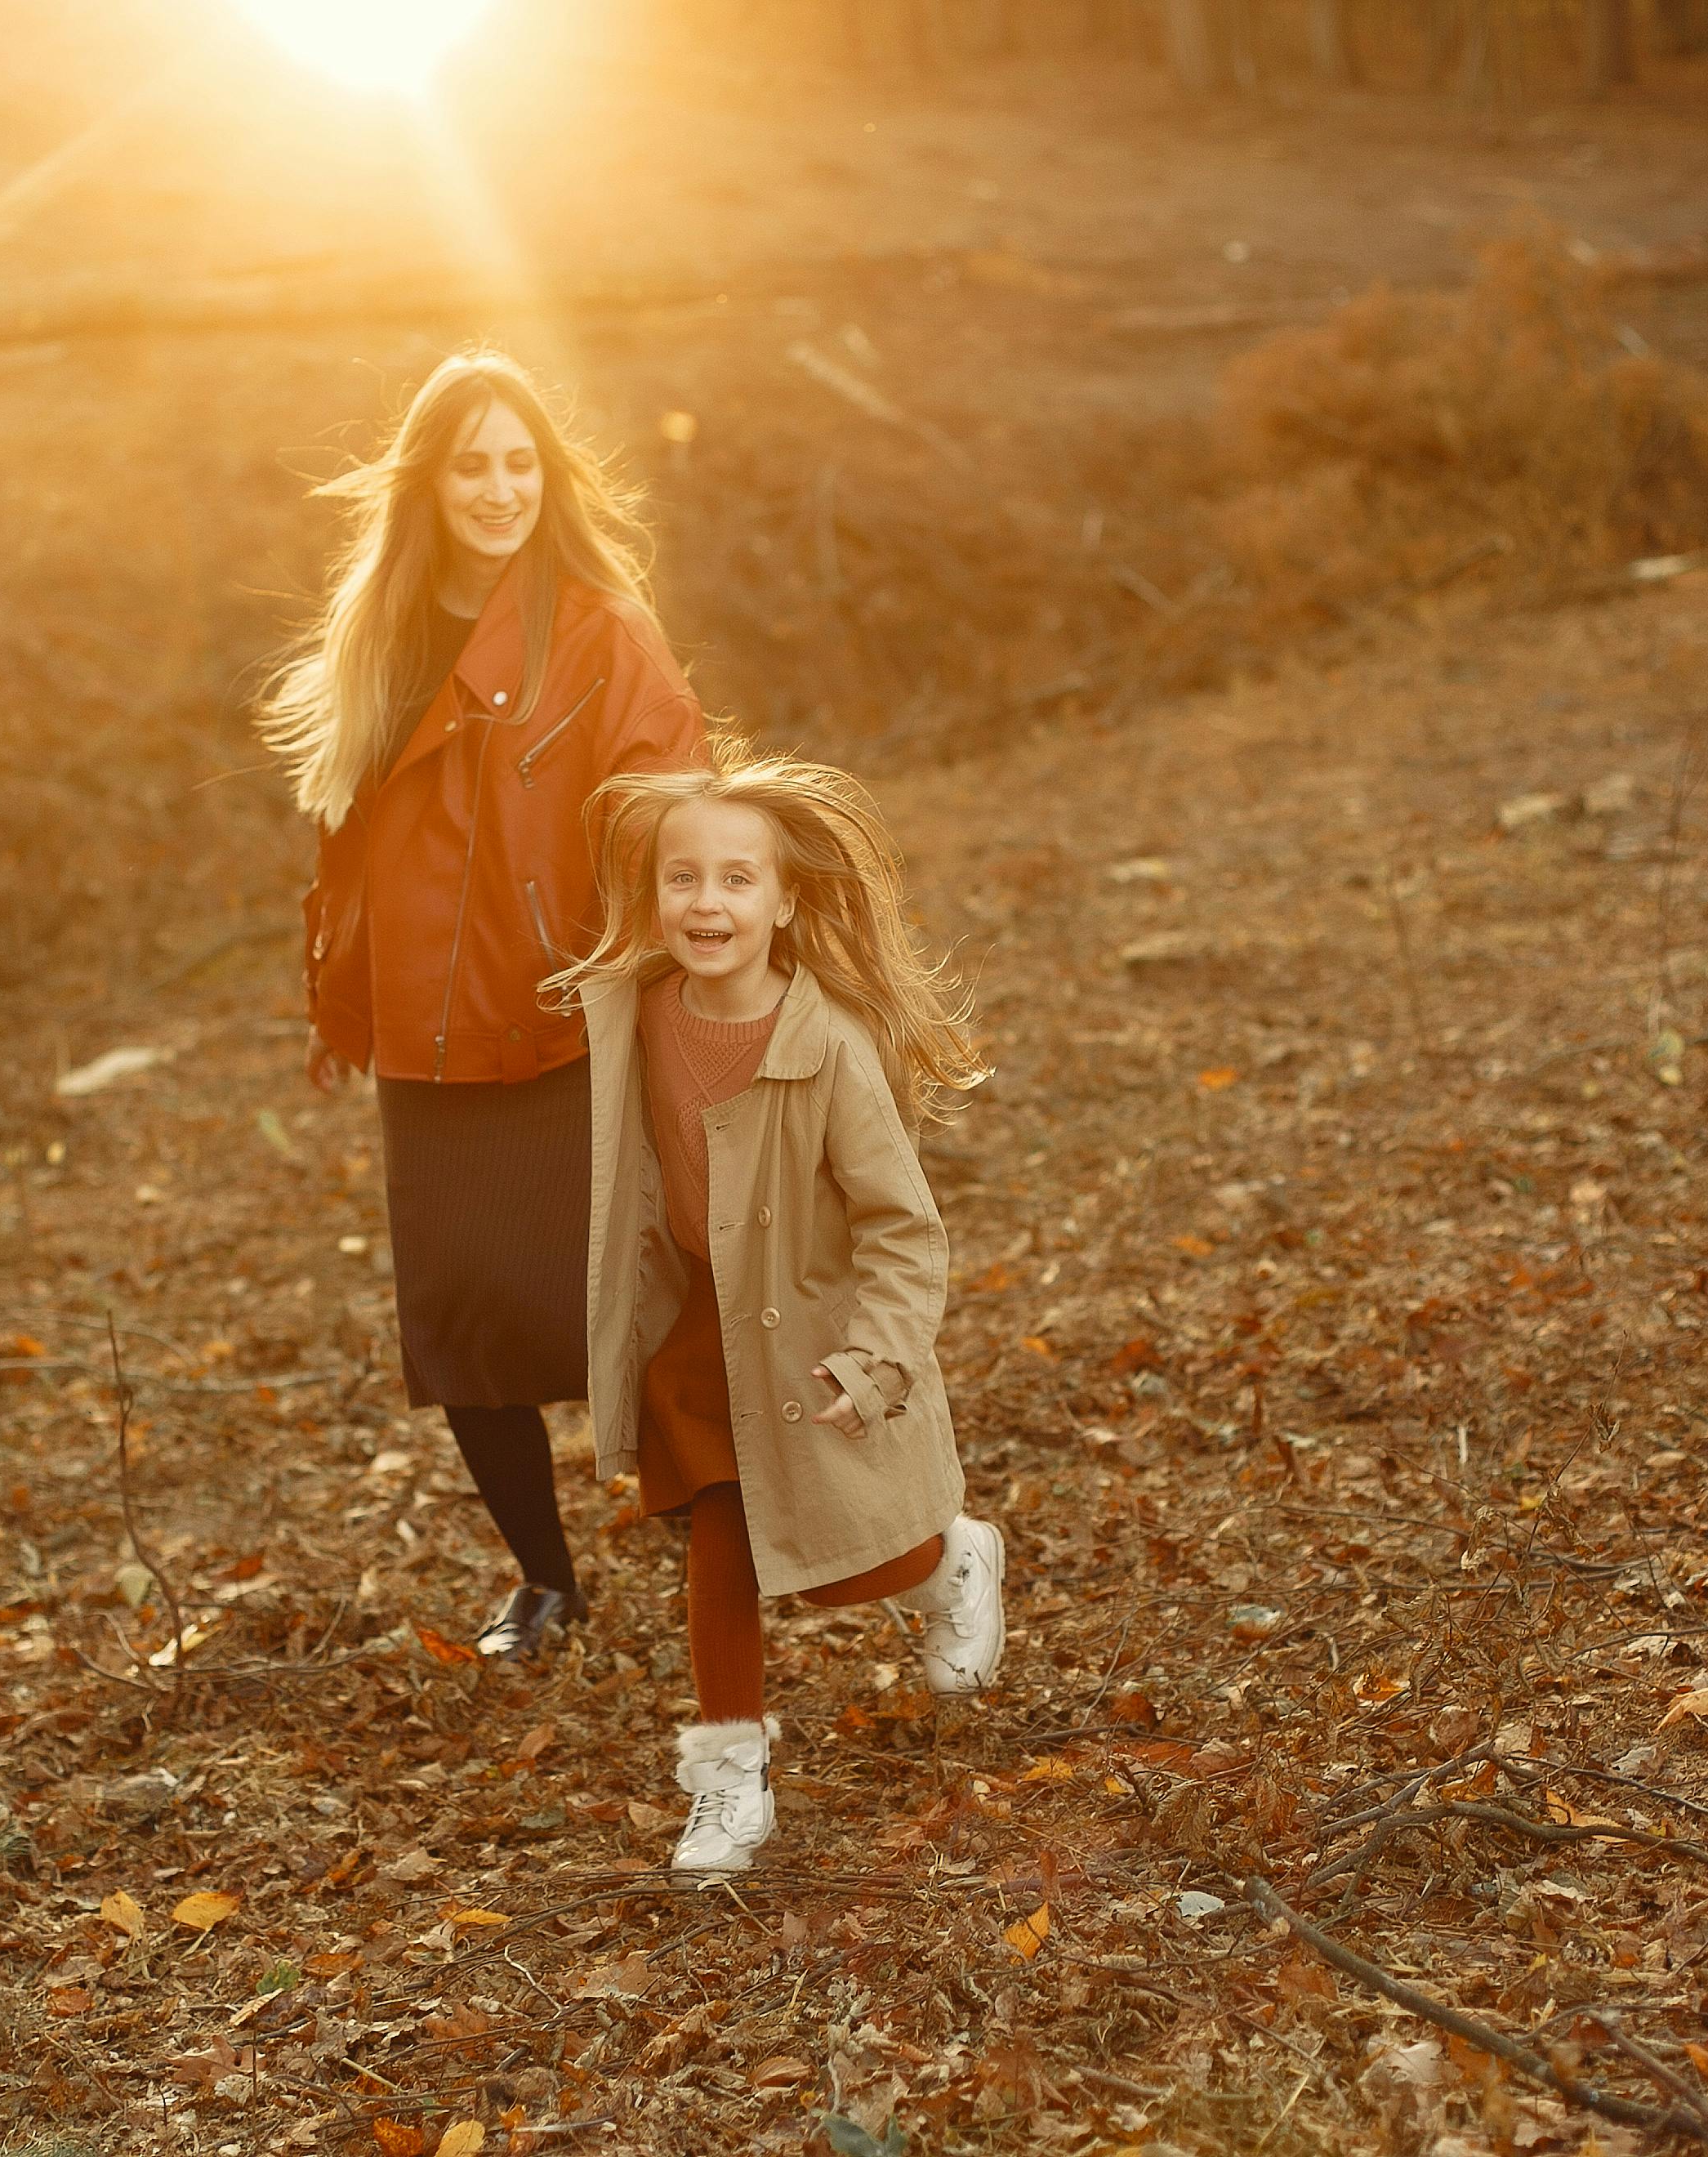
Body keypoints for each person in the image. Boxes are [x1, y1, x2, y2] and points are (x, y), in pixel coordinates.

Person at [265, 350, 705, 1663]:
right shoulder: (381, 630)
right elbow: (351, 839)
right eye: (475, 462)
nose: (502, 487)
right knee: (464, 1321)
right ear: (432, 480)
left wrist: (680, 951)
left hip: (571, 1008)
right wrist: (341, 991)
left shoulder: (599, 629)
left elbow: (673, 788)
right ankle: (547, 1582)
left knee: (636, 1300)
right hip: (431, 1030)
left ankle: (718, 1550)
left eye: (523, 461)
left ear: (548, 477)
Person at [554, 747, 1005, 1873]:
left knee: (850, 1562)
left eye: (737, 879)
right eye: (683, 877)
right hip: (702, 1324)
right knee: (722, 1536)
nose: (707, 902)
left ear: (785, 899)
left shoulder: (830, 1049)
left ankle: (950, 1559)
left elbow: (903, 1227)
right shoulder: (638, 1012)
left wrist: (879, 1357)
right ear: (653, 896)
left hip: (813, 1332)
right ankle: (729, 1780)